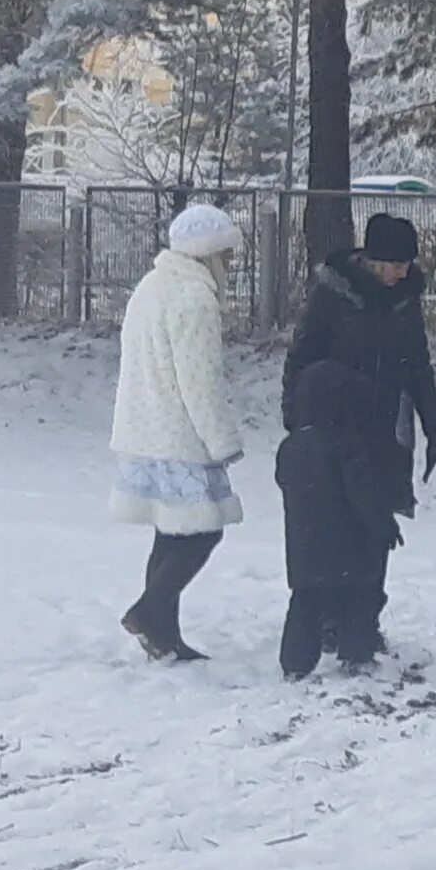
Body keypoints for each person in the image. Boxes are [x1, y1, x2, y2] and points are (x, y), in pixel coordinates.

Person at [282, 212, 436, 619]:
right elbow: (301, 358)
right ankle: (328, 614)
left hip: (388, 425)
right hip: (336, 427)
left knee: (378, 521)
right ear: (371, 260)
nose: (399, 272)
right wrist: (297, 419)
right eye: (392, 265)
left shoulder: (406, 299)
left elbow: (417, 361)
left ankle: (365, 617)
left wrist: (434, 420)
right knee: (338, 519)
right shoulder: (332, 295)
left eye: (405, 265)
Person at [112, 202, 247, 661]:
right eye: (226, 255)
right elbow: (200, 379)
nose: (231, 265)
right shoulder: (195, 298)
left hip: (143, 429)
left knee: (169, 534)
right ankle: (149, 613)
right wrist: (222, 441)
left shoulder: (151, 286)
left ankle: (163, 638)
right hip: (181, 435)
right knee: (204, 531)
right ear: (208, 255)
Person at [276, 357, 400, 677]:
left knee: (304, 604)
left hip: (304, 545)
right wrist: (384, 525)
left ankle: (295, 663)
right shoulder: (347, 445)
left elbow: (284, 482)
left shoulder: (290, 447)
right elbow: (363, 495)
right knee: (356, 600)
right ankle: (356, 653)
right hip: (350, 546)